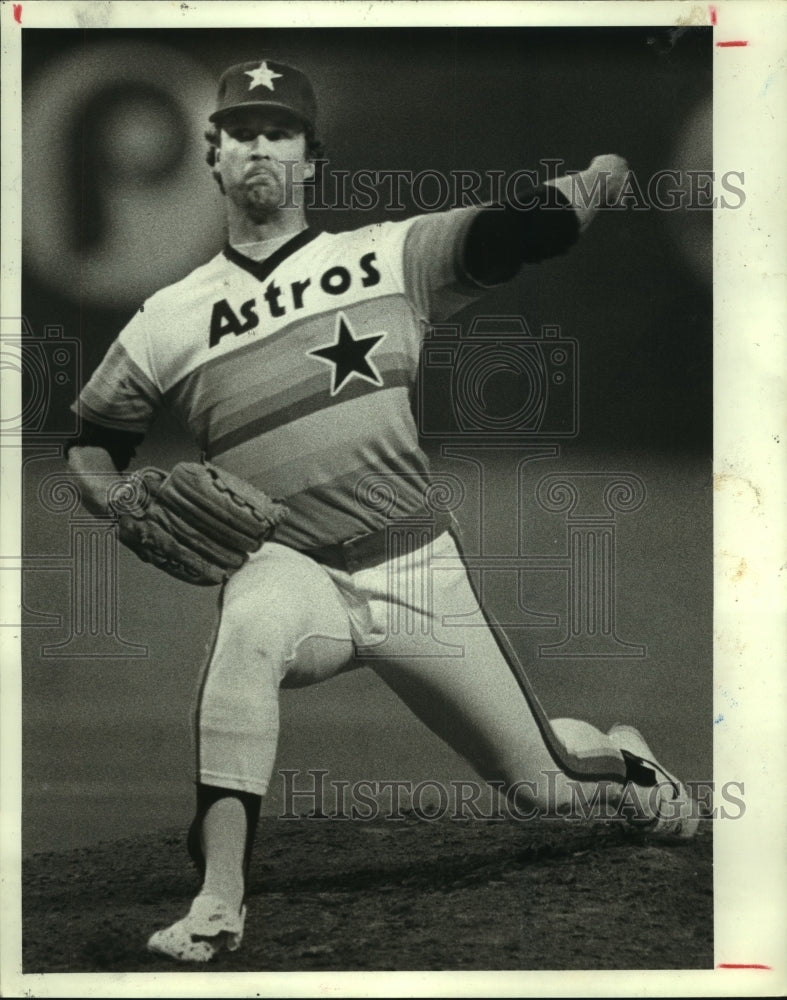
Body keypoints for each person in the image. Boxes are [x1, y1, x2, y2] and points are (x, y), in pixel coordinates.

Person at [66, 58, 698, 963]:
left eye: (277, 132)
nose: (257, 147)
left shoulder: (384, 254)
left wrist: (596, 178)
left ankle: (624, 761)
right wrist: (114, 493)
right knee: (245, 631)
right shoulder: (166, 318)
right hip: (292, 569)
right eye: (240, 131)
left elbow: (512, 233)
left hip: (414, 567)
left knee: (544, 786)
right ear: (209, 154)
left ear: (311, 160)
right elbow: (92, 440)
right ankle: (217, 899)